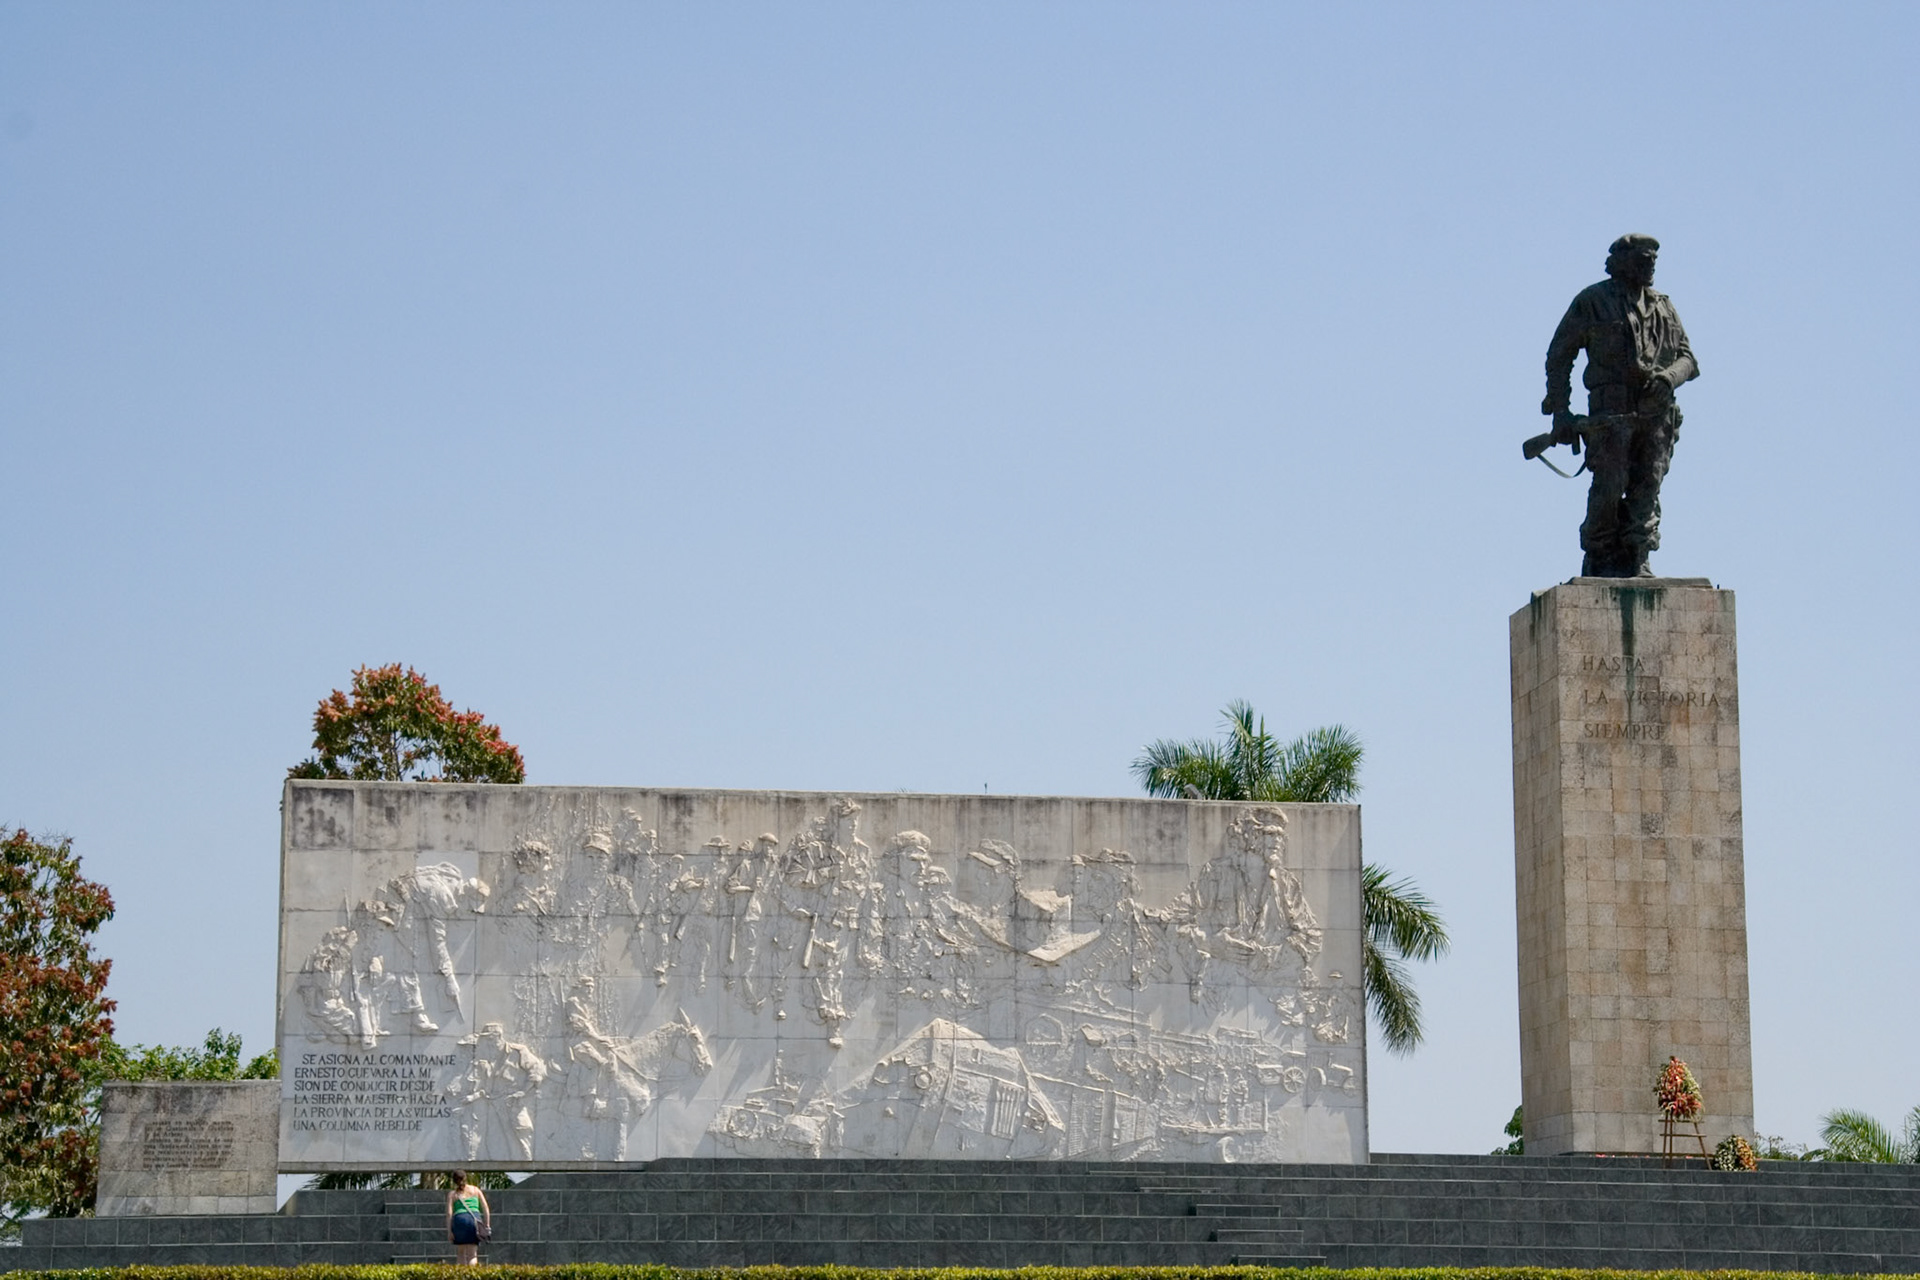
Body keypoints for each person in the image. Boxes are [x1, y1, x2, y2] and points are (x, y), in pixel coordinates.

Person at [1539, 233, 1700, 577]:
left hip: (1656, 414)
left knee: (1648, 483)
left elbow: (1688, 358)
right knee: (1610, 485)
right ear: (1620, 262)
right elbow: (1559, 355)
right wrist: (1561, 412)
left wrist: (1669, 378)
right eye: (1643, 258)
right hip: (1609, 415)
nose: (1650, 264)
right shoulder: (1593, 301)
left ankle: (1639, 552)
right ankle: (1599, 555)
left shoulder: (1663, 306)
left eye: (1653, 259)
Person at [446, 1170, 490, 1264]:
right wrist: (487, 1225)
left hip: (459, 1220)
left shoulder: (452, 1194)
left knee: (461, 1252)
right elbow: (485, 1207)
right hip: (474, 1220)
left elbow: (449, 1213)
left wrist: (450, 1231)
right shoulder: (475, 1190)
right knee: (472, 1254)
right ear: (465, 1178)